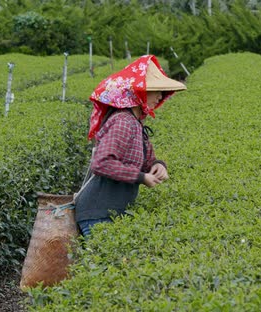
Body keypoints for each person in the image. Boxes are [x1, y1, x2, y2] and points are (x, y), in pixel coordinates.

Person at [74, 55, 186, 237]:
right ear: (139, 92)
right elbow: (102, 163)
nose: (160, 97)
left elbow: (149, 161)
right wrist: (141, 177)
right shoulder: (123, 121)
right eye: (155, 91)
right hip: (97, 213)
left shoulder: (136, 123)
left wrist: (159, 166)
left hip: (112, 212)